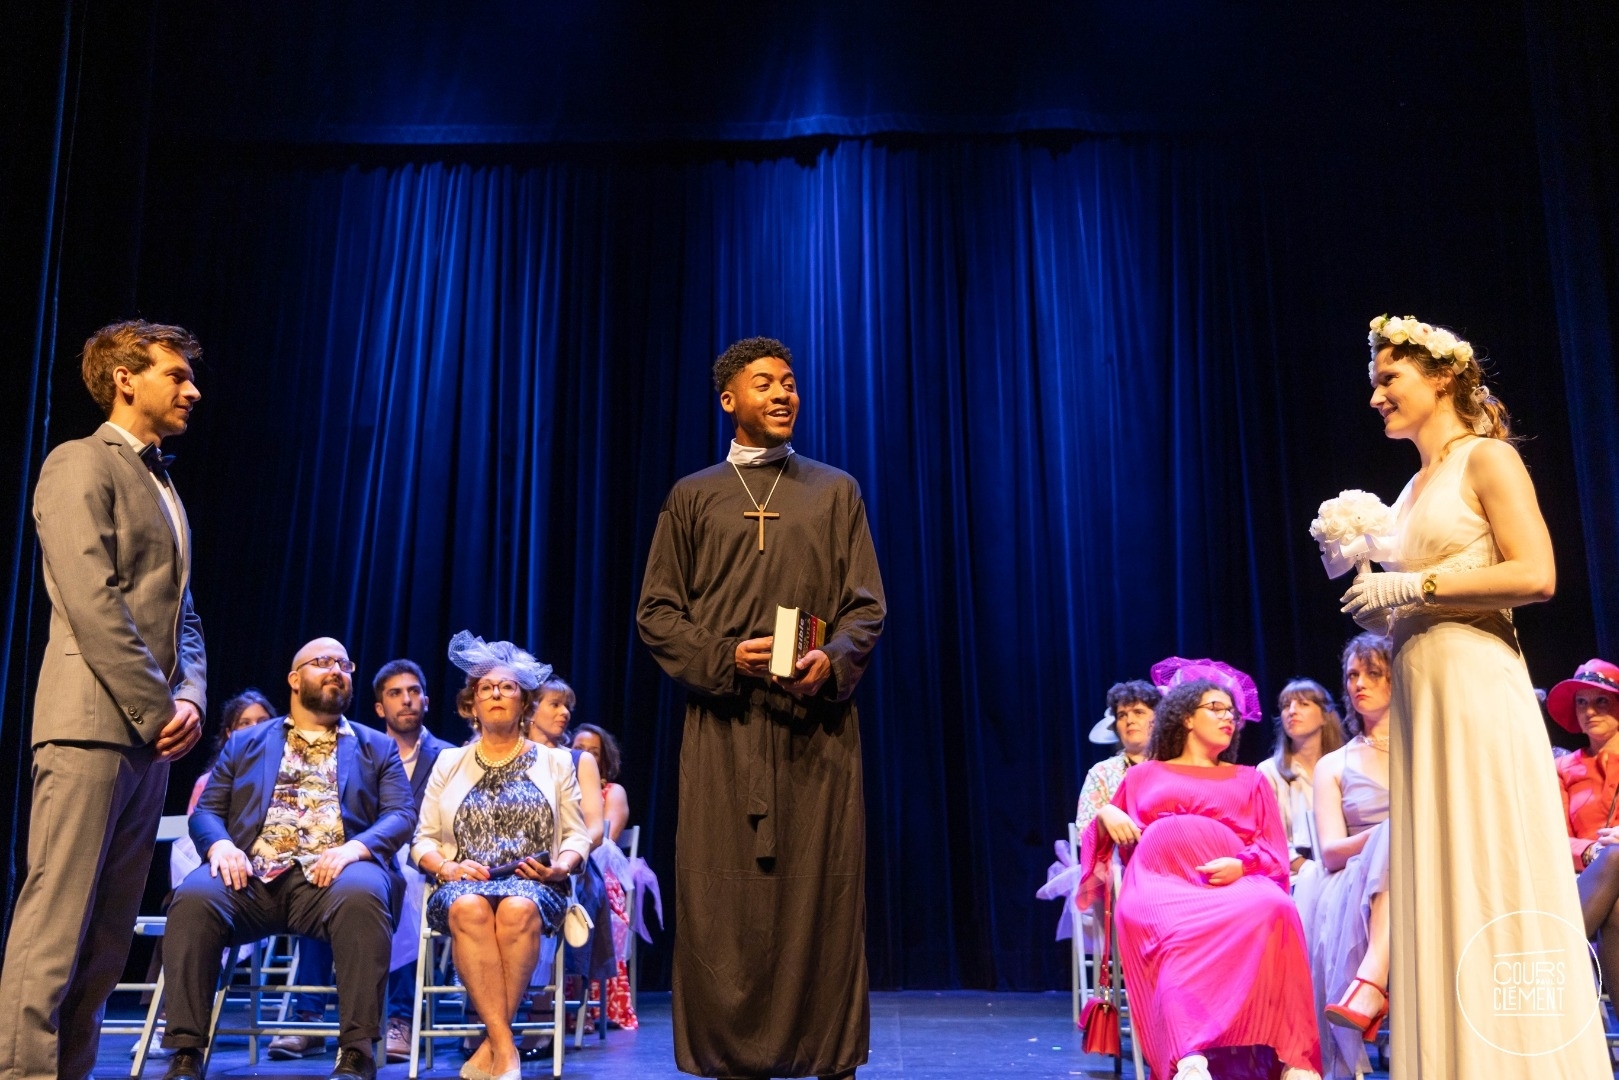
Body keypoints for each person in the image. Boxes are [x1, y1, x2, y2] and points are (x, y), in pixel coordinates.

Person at [1338, 315, 1608, 1074]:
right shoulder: (1411, 487)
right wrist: (1380, 599)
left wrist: (1413, 586)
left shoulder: (1486, 458)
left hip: (1476, 690)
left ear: (1441, 377)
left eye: (1388, 379)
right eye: (1374, 383)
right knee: (1440, 876)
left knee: (1490, 864)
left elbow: (1537, 574)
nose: (1376, 397)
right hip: (1424, 696)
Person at [637, 336, 886, 1080]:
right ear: (729, 400)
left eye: (789, 383)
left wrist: (832, 658)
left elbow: (865, 607)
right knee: (722, 903)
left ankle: (826, 1057)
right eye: (765, 383)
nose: (783, 394)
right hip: (723, 730)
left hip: (815, 730)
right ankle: (730, 1058)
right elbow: (656, 613)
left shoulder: (835, 490)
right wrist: (723, 657)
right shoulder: (692, 496)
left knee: (822, 895)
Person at [0, 320, 208, 1080]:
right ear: (125, 378)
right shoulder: (78, 462)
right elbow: (93, 601)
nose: (192, 390)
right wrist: (160, 707)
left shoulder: (164, 484)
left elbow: (183, 615)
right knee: (56, 927)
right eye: (175, 375)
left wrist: (191, 696)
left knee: (108, 938)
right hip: (90, 727)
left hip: (149, 740)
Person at [159, 638, 414, 1080]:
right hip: (252, 879)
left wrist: (355, 848)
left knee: (364, 893)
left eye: (344, 664)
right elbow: (206, 813)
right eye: (323, 662)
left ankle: (356, 1051)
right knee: (195, 897)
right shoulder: (247, 743)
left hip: (334, 878)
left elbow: (401, 814)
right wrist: (221, 846)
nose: (336, 670)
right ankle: (186, 1051)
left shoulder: (376, 746)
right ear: (295, 680)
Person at [1084, 660, 1321, 1080]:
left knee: (1278, 908)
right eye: (1216, 708)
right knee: (1175, 932)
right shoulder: (1143, 776)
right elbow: (1099, 842)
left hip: (1232, 881)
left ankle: (1295, 1058)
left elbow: (1273, 851)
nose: (1228, 717)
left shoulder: (1249, 779)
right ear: (1187, 718)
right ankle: (1188, 1058)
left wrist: (1241, 864)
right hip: (1160, 881)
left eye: (1231, 711)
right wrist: (1106, 813)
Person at [412, 632, 592, 1080]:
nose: (495, 693)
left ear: (524, 702)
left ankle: (491, 1048)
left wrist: (560, 867)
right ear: (471, 704)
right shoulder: (448, 762)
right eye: (486, 688)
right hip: (463, 882)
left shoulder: (556, 763)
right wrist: (447, 866)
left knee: (517, 908)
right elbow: (422, 841)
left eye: (507, 687)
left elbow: (577, 835)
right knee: (469, 907)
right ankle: (506, 1049)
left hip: (534, 882)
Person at [1302, 634, 1393, 1079]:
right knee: (1394, 833)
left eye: (1373, 673)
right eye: (1352, 675)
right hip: (1356, 882)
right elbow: (1331, 852)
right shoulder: (1334, 764)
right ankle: (1372, 977)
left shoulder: (1427, 750)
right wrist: (1389, 834)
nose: (1359, 683)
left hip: (1429, 876)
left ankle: (1371, 983)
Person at [371, 659, 454, 1062]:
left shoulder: (450, 757)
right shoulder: (364, 752)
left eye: (413, 691)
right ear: (379, 707)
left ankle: (400, 1018)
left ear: (426, 699)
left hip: (429, 867)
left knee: (405, 886)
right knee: (324, 877)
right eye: (395, 693)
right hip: (371, 860)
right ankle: (309, 1016)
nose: (406, 699)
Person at [1548, 659, 1619, 998]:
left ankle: (1551, 958)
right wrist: (1591, 850)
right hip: (1585, 880)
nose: (1589, 711)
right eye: (1581, 702)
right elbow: (1551, 837)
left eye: (1601, 700)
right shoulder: (1563, 768)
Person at [572, 722, 640, 1028]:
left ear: (603, 758)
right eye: (579, 749)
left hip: (598, 869)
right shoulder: (556, 783)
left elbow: (604, 839)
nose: (585, 755)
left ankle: (589, 1009)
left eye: (594, 752)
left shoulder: (613, 792)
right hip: (565, 868)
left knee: (589, 900)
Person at [1256, 680, 1345, 887]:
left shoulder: (1345, 767)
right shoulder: (1268, 772)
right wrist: (1310, 870)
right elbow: (1269, 838)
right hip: (1295, 878)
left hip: (1345, 871)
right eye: (1286, 705)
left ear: (1325, 715)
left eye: (1303, 704)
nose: (1292, 711)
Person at [1075, 680, 1160, 833]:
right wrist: (1104, 817)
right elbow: (1084, 832)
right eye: (1122, 715)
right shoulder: (1102, 773)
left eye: (1138, 712)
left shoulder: (1175, 764)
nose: (1130, 720)